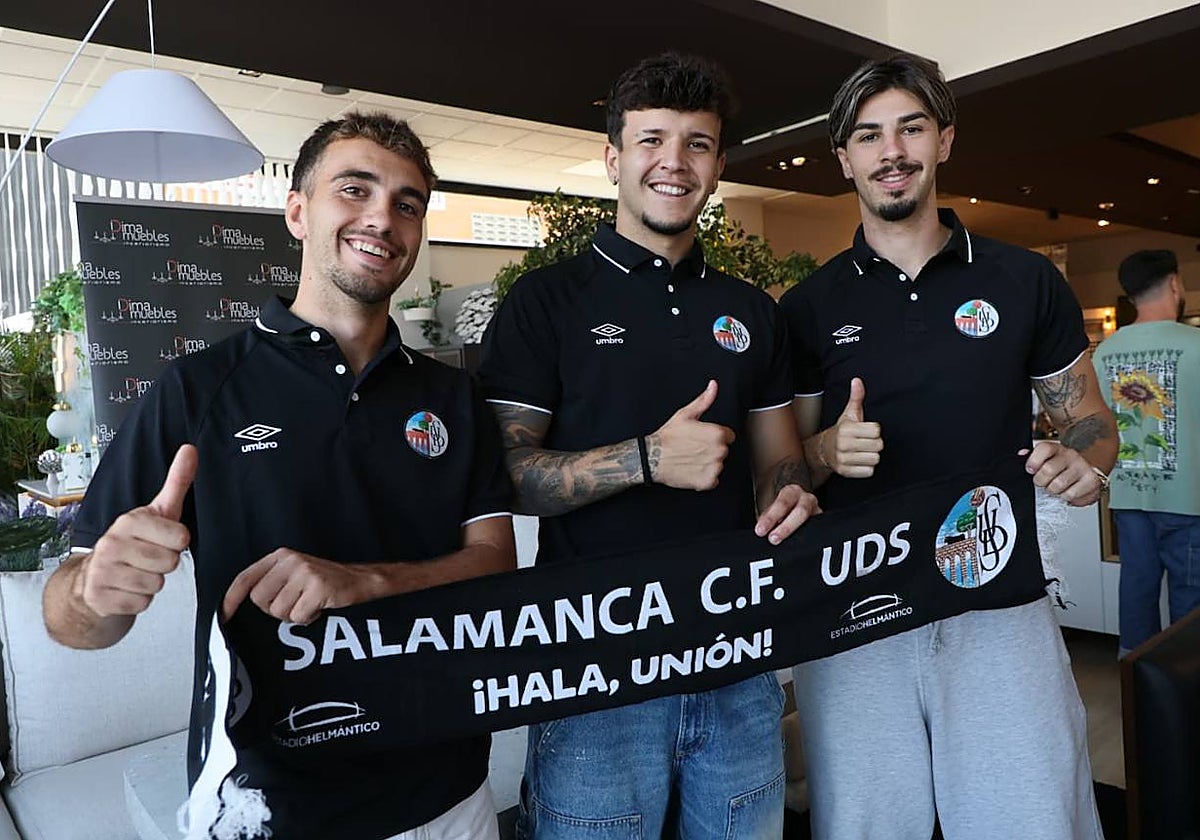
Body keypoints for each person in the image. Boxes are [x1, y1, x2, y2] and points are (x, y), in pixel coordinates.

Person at [43, 112, 516, 840]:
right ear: (298, 211)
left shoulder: (451, 395)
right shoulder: (197, 389)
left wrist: (368, 582)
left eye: (407, 203)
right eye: (353, 189)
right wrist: (95, 588)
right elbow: (75, 622)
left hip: (450, 793)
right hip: (264, 805)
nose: (381, 218)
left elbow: (494, 562)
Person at [478, 53, 818, 839]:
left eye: (697, 144)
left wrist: (792, 492)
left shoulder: (750, 312)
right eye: (652, 140)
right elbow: (506, 477)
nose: (674, 162)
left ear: (719, 166)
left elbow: (777, 467)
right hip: (598, 663)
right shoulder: (545, 302)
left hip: (738, 653)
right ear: (613, 158)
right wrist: (647, 459)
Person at [779, 53, 1117, 840]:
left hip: (996, 597)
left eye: (910, 128)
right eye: (868, 135)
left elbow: (1092, 422)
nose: (890, 150)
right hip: (856, 605)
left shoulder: (1024, 279)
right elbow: (779, 468)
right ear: (844, 159)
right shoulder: (805, 307)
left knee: (1031, 819)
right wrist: (826, 451)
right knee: (868, 826)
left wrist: (1086, 461)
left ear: (944, 141)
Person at [1092, 249, 1200, 655]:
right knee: (1191, 605)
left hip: (1128, 497)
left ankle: (1138, 693)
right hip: (1190, 500)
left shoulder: (1105, 352)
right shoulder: (1197, 345)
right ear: (1174, 283)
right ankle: (1186, 694)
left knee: (1136, 593)